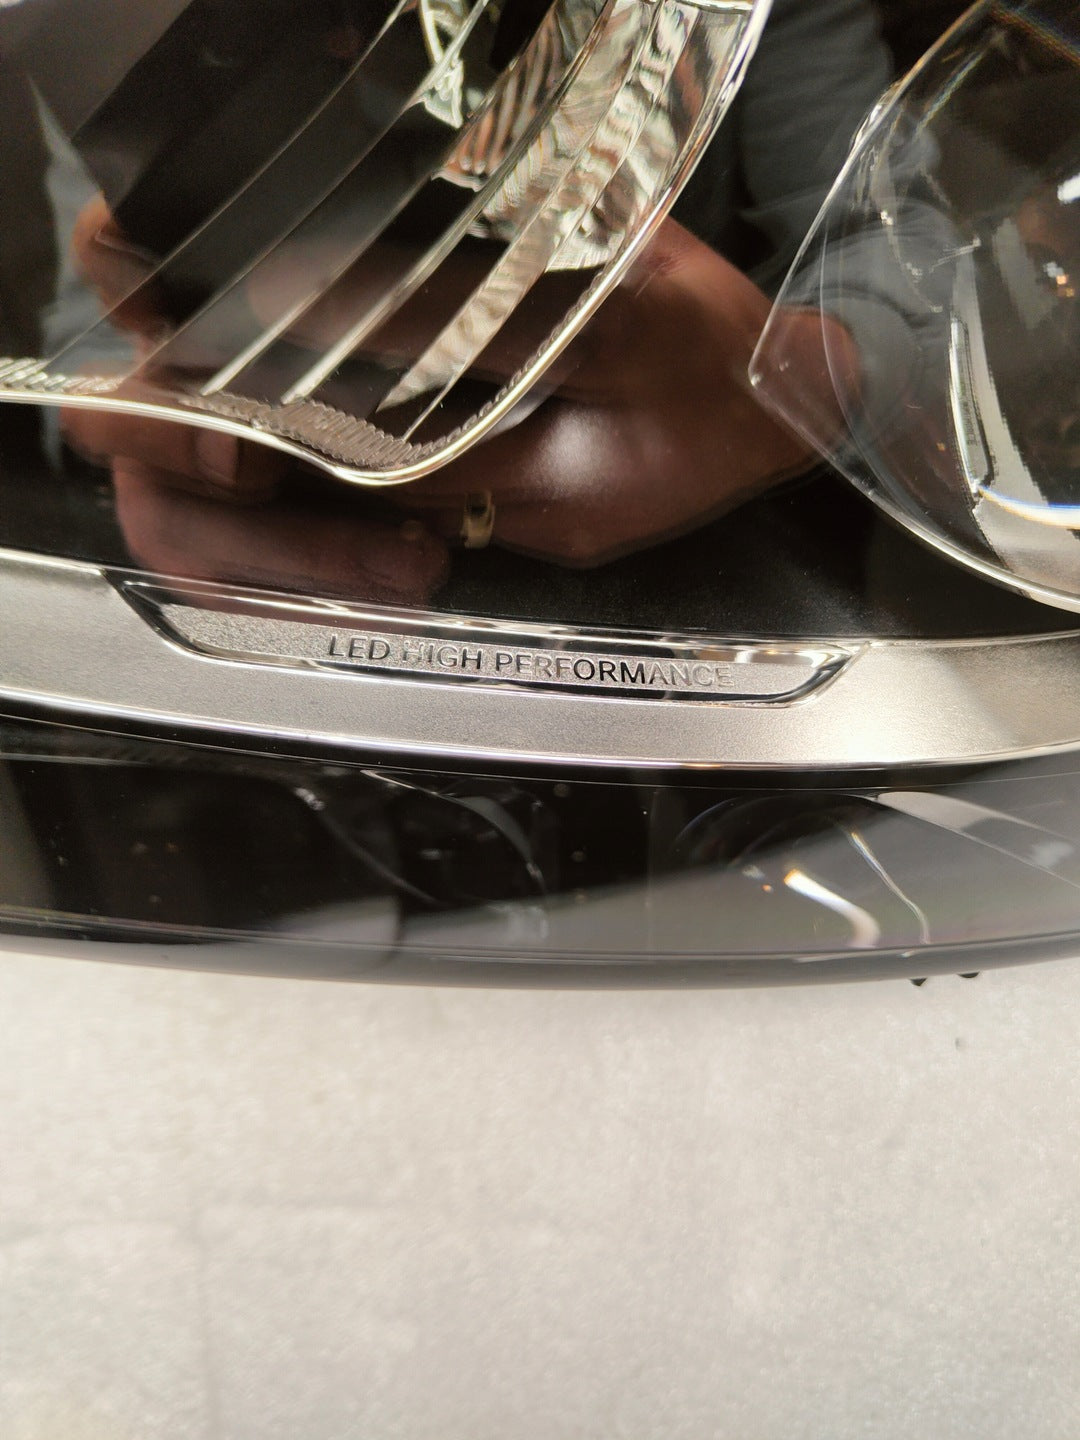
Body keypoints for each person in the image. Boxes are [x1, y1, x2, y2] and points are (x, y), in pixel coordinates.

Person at [50, 0, 892, 591]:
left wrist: (804, 384)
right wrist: (132, 427)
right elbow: (76, 314)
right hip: (268, 627)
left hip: (699, 597)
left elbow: (894, 251)